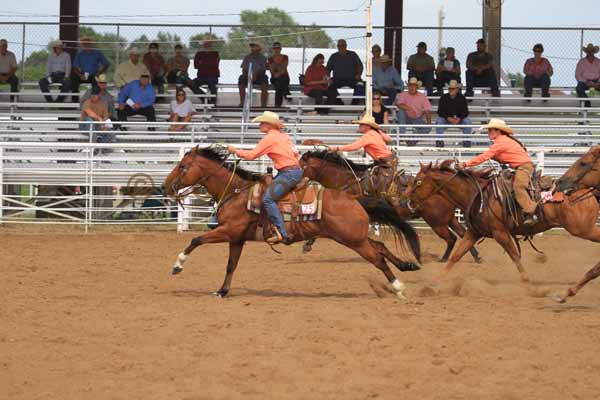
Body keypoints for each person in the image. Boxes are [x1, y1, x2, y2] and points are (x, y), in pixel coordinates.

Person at [227, 111, 302, 245]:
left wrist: (235, 151)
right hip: (292, 171)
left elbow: (251, 156)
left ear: (269, 124)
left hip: (288, 173)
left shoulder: (269, 138)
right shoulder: (283, 136)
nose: (260, 125)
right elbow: (296, 153)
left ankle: (282, 233)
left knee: (268, 200)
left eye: (262, 123)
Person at [457, 118, 538, 226]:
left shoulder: (501, 142)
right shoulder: (504, 141)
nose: (488, 133)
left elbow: (485, 156)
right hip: (520, 167)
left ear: (498, 131)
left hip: (524, 167)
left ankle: (531, 212)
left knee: (519, 187)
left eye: (490, 130)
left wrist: (466, 164)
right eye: (489, 130)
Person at [329, 114, 396, 197]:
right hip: (388, 161)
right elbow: (388, 139)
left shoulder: (368, 136)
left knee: (372, 179)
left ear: (368, 126)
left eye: (362, 124)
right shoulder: (375, 133)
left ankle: (377, 196)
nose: (359, 126)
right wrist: (379, 131)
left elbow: (354, 146)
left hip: (384, 162)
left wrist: (337, 148)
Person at [395, 77, 432, 146]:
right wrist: (409, 109)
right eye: (410, 85)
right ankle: (402, 135)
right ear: (408, 86)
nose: (412, 87)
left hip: (416, 118)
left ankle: (413, 139)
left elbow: (427, 110)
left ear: (417, 87)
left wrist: (429, 123)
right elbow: (398, 104)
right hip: (405, 118)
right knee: (401, 112)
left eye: (414, 85)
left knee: (428, 128)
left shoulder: (422, 96)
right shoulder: (403, 94)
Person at [326, 39, 364, 106]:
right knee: (330, 87)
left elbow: (360, 66)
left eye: (343, 45)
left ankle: (354, 104)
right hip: (337, 79)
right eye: (339, 45)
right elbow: (327, 69)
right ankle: (339, 103)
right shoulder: (333, 56)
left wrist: (359, 74)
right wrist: (328, 78)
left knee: (360, 85)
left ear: (346, 46)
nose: (341, 47)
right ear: (337, 46)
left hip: (352, 79)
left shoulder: (353, 54)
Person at [71, 37, 110, 101]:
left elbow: (106, 64)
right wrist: (80, 74)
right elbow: (75, 67)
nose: (86, 45)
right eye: (84, 44)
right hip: (83, 75)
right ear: (82, 45)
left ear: (91, 44)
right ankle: (75, 102)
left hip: (94, 74)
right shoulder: (79, 54)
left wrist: (100, 72)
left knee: (97, 80)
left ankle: (94, 100)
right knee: (74, 79)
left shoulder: (97, 53)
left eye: (88, 44)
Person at [435, 80, 472, 148]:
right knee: (439, 121)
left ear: (457, 89)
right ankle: (439, 141)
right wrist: (448, 118)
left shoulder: (462, 98)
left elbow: (465, 111)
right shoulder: (443, 97)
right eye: (450, 88)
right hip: (446, 119)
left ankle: (467, 142)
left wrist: (459, 118)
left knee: (467, 121)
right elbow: (440, 111)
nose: (451, 90)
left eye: (453, 88)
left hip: (459, 120)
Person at [238, 43, 269, 108]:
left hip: (259, 76)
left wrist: (256, 75)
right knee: (241, 79)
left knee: (265, 79)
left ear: (259, 49)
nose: (253, 49)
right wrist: (248, 76)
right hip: (248, 75)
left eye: (255, 48)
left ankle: (263, 104)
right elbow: (244, 69)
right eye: (252, 48)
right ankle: (242, 102)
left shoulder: (263, 58)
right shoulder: (247, 57)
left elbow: (263, 70)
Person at [575, 43, 600, 108]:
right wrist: (586, 81)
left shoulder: (598, 61)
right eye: (588, 51)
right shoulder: (581, 61)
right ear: (586, 52)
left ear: (594, 52)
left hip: (597, 81)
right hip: (585, 81)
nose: (590, 53)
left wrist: (597, 82)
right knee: (579, 88)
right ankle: (587, 104)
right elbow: (577, 74)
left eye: (591, 51)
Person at [267, 42, 290, 108]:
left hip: (284, 77)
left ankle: (277, 105)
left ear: (280, 49)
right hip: (275, 78)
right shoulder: (270, 59)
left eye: (278, 48)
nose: (277, 50)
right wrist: (278, 69)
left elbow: (283, 68)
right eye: (275, 48)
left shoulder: (285, 57)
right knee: (279, 83)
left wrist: (277, 69)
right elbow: (272, 71)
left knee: (279, 84)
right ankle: (286, 93)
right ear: (273, 49)